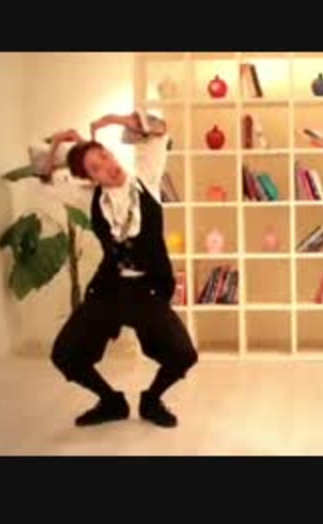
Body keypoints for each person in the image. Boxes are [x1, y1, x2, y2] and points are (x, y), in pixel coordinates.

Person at [45, 111, 197, 428]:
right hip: (109, 289)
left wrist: (117, 120)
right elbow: (45, 177)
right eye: (95, 168)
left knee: (183, 354)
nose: (107, 166)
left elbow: (160, 130)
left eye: (104, 156)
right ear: (90, 179)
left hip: (148, 289)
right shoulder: (89, 198)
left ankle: (151, 400)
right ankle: (111, 402)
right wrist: (58, 143)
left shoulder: (146, 179)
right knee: (64, 354)